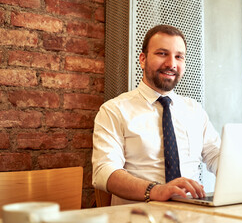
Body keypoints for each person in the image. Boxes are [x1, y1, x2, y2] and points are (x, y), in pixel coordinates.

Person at [92, 24, 221, 205]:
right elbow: (104, 172)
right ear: (143, 59)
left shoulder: (195, 110)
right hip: (138, 215)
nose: (171, 64)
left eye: (179, 56)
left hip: (192, 213)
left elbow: (216, 156)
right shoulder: (114, 110)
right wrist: (156, 190)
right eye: (162, 54)